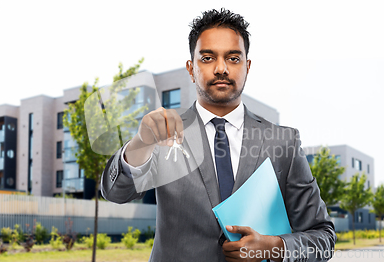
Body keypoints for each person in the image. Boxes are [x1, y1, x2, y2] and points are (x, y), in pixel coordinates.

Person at [101, 8, 336, 262]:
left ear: (247, 67)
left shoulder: (284, 142)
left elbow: (323, 240)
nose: (221, 68)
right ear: (191, 69)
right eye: (208, 58)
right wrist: (140, 144)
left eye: (233, 58)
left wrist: (275, 247)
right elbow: (116, 193)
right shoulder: (162, 134)